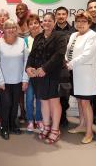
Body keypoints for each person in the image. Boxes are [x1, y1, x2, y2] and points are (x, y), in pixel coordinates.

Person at [26, 12, 67, 144]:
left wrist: (44, 68)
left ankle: (55, 130)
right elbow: (31, 55)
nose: (47, 23)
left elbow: (59, 55)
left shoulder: (60, 36)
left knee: (54, 102)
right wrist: (28, 67)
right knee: (43, 101)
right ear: (42, 23)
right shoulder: (38, 37)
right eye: (45, 20)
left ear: (54, 22)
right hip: (38, 76)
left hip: (53, 75)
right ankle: (46, 126)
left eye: (50, 20)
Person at [0, 19, 29, 140]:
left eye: (13, 27)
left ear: (16, 29)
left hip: (18, 81)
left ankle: (13, 124)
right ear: (3, 29)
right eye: (8, 27)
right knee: (5, 105)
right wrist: (0, 81)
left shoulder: (22, 42)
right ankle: (4, 127)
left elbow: (26, 62)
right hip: (4, 82)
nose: (11, 29)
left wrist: (25, 79)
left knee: (14, 105)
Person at [66, 12, 96, 144]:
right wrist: (66, 60)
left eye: (83, 21)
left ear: (89, 23)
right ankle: (81, 125)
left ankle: (89, 132)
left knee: (86, 103)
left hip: (86, 74)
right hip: (75, 73)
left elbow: (87, 54)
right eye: (78, 21)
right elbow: (68, 51)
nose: (80, 24)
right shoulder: (74, 35)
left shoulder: (92, 35)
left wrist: (71, 64)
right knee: (79, 100)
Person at [54, 6, 75, 127]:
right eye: (59, 14)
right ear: (56, 16)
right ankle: (56, 117)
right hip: (54, 68)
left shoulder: (73, 31)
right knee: (54, 94)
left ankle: (63, 117)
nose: (61, 16)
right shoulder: (52, 30)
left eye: (63, 14)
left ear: (67, 16)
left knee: (65, 94)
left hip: (67, 69)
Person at [25, 14, 43, 132]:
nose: (33, 25)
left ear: (40, 24)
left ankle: (39, 120)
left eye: (35, 23)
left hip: (41, 74)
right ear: (28, 27)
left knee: (40, 99)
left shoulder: (45, 37)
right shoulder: (25, 40)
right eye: (31, 24)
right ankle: (30, 120)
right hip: (29, 75)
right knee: (29, 98)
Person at [15, 2, 30, 122]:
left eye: (22, 9)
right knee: (20, 89)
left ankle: (34, 115)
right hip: (19, 62)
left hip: (32, 62)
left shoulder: (32, 23)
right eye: (17, 9)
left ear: (26, 11)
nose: (19, 11)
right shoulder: (15, 26)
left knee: (32, 90)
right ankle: (22, 112)